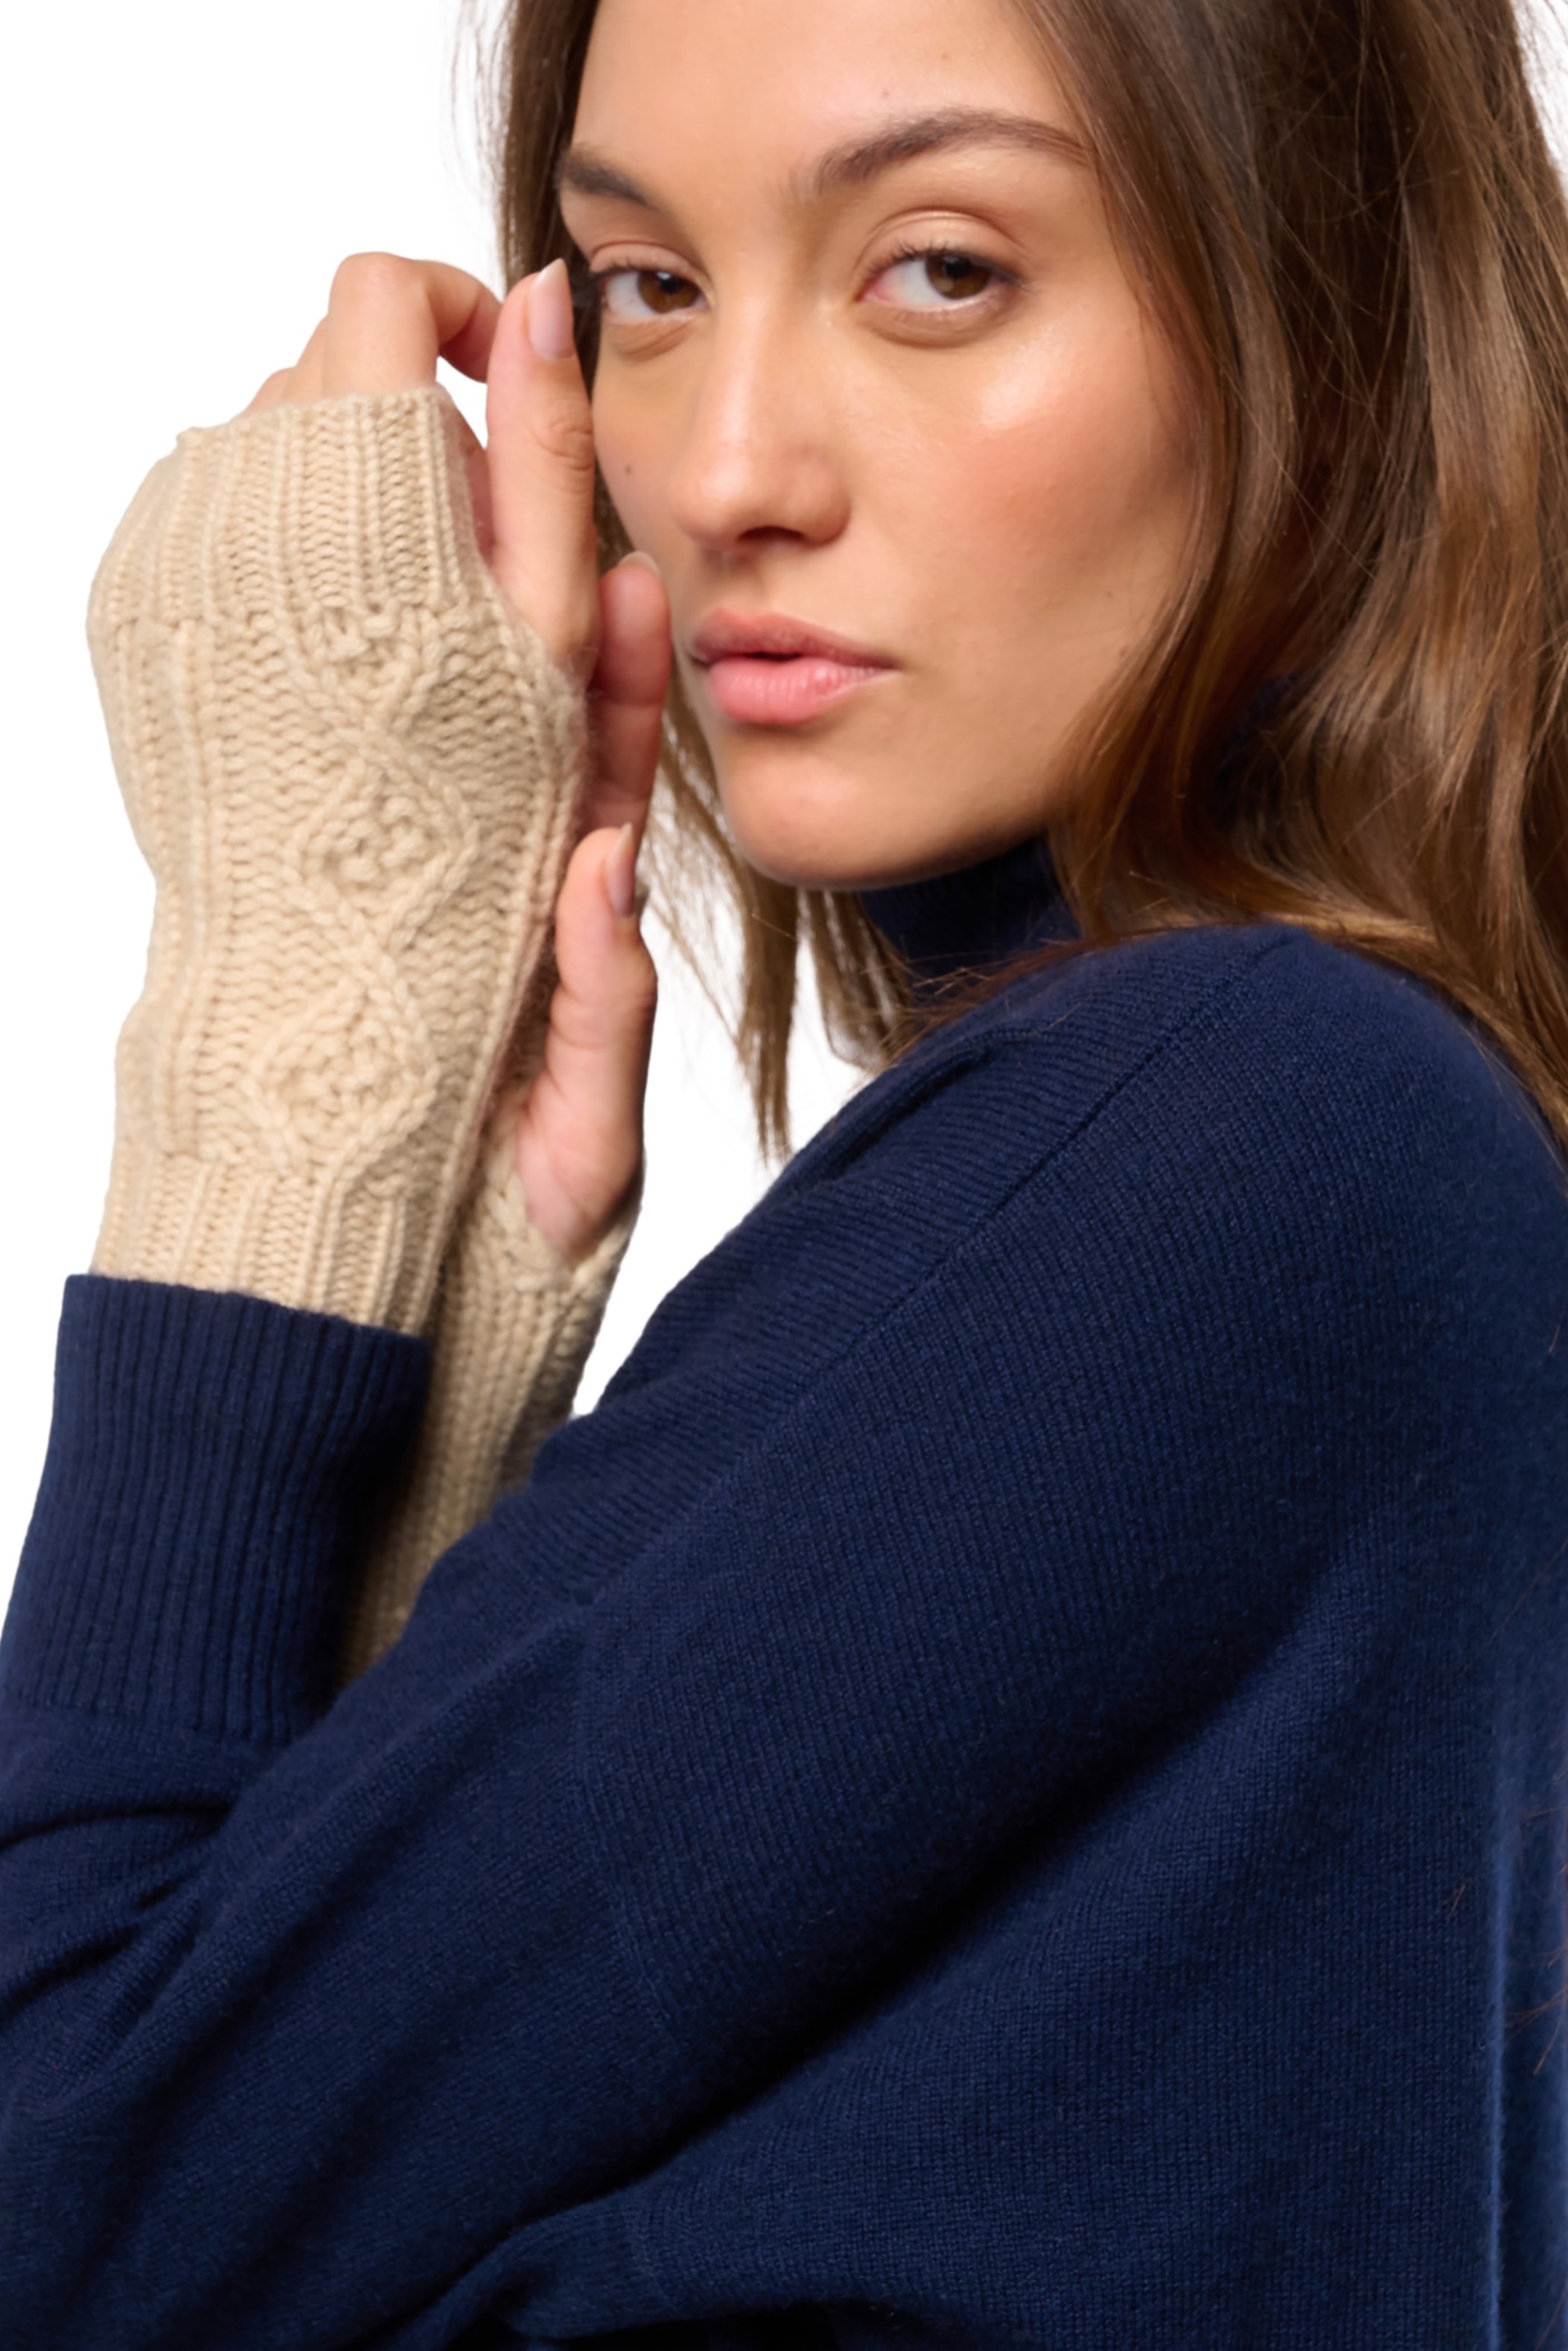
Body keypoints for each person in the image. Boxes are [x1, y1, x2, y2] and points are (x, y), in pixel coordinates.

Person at [3, 0, 1568, 2341]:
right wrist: (436, 1378)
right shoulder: (1332, 1169)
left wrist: (281, 1032)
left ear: (1332, 333)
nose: (727, 469)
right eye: (649, 287)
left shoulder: (1240, 1135)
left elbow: (65, 2233)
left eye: (942, 269)